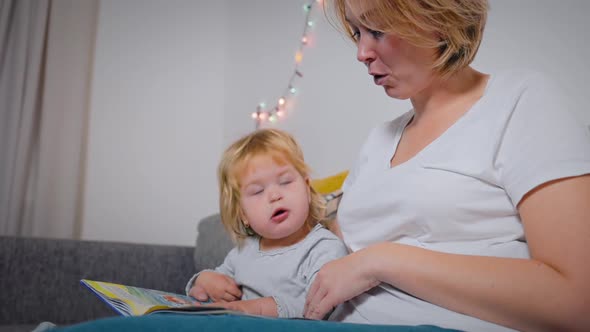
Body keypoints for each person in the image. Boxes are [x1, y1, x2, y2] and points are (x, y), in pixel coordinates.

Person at [303, 1, 590, 331]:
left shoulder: (520, 101)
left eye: (377, 30)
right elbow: (328, 254)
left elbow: (578, 301)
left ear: (436, 20)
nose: (362, 52)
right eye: (357, 32)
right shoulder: (377, 141)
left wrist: (380, 261)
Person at [185, 128, 349, 318]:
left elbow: (321, 308)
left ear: (306, 188)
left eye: (285, 182)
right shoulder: (243, 252)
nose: (274, 195)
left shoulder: (323, 248)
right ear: (243, 214)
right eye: (257, 191)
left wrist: (257, 308)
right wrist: (204, 281)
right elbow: (217, 281)